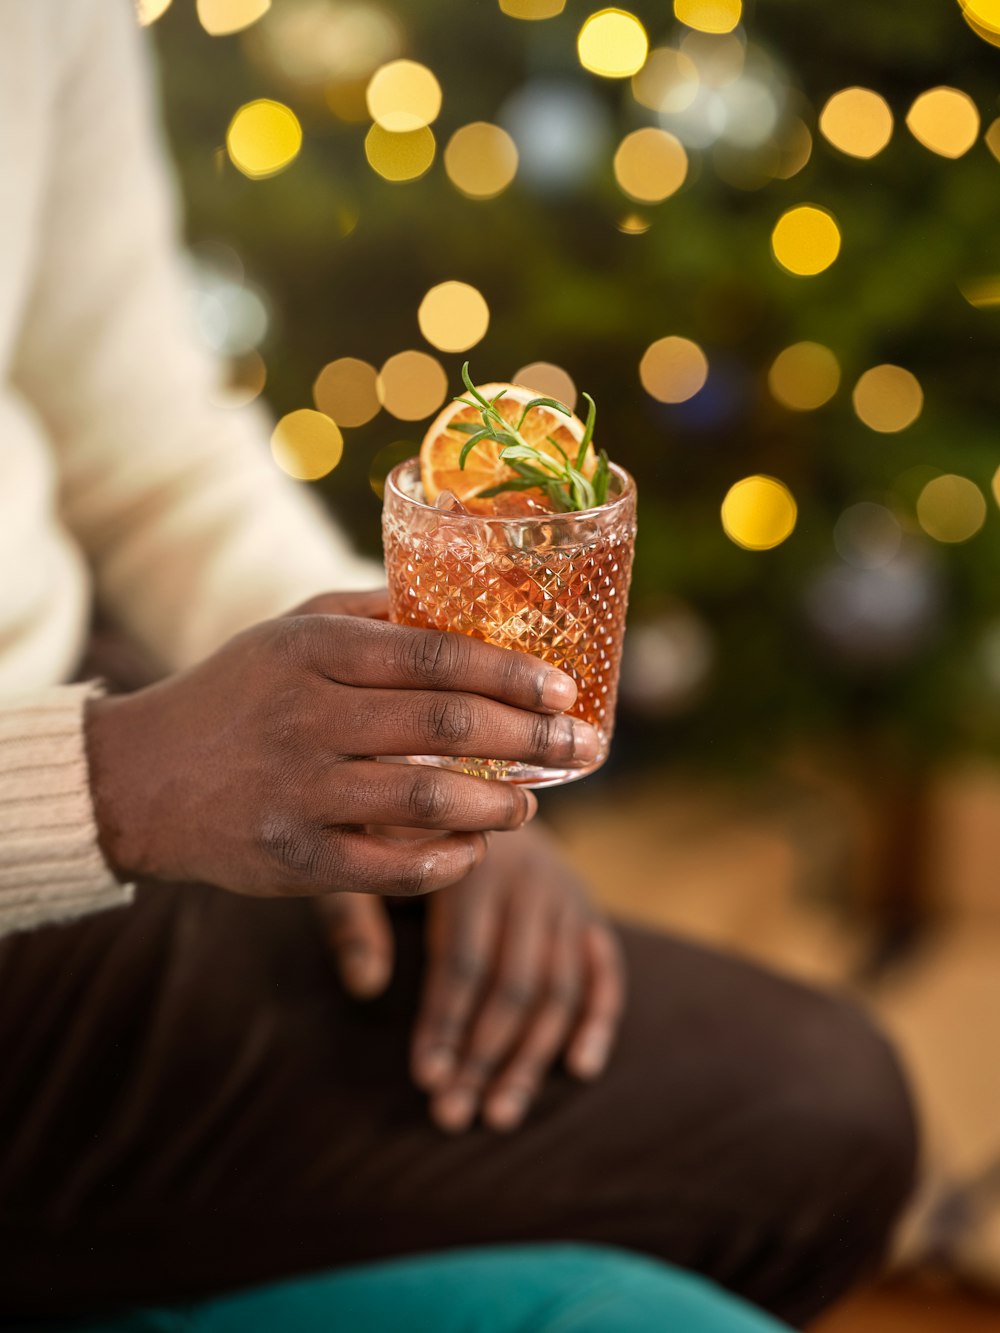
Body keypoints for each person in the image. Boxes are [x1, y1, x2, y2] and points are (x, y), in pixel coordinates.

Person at [0, 3, 916, 1329]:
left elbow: (139, 435)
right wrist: (121, 784)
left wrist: (390, 743)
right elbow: (121, 776)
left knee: (827, 1107)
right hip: (67, 816)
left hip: (83, 701)